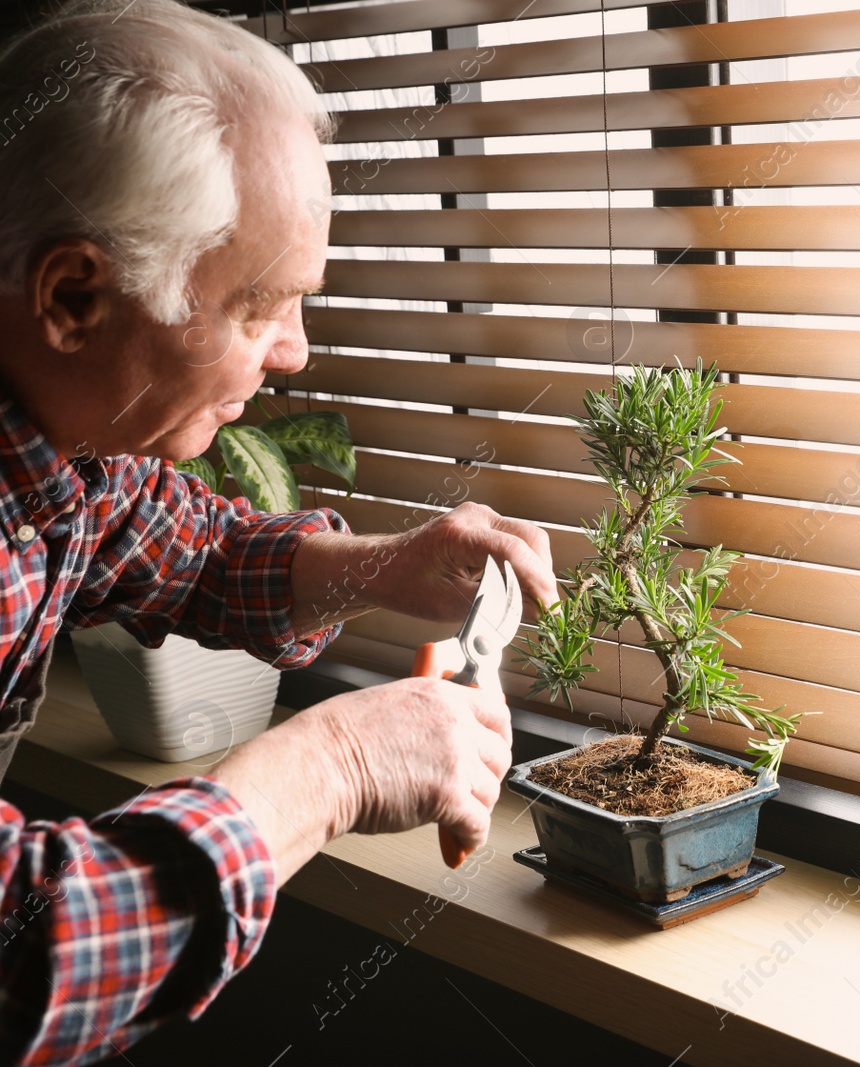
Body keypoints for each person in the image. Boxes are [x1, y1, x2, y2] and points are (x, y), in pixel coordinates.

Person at [0, 2, 559, 1062]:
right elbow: (33, 953)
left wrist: (392, 568)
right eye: (260, 307)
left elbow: (190, 547)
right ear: (74, 295)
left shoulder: (55, 456)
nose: (294, 352)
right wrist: (334, 762)